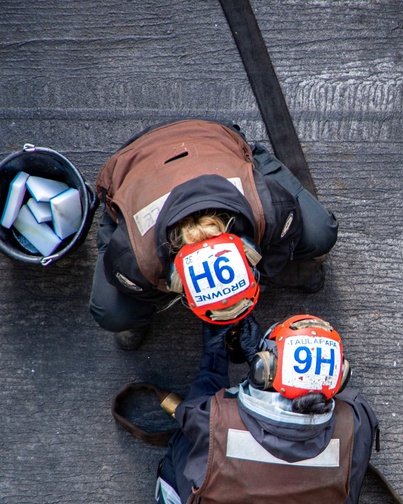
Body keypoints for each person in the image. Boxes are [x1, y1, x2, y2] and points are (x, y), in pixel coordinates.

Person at [147, 314, 379, 504]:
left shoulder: (215, 416)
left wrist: (215, 355)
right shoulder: (356, 420)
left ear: (263, 369)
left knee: (181, 447)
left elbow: (196, 402)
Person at [90, 119, 338, 350]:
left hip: (211, 137)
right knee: (111, 312)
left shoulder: (271, 208)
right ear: (175, 280)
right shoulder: (136, 259)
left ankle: (254, 163)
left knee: (320, 233)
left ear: (249, 250)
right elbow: (142, 286)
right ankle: (120, 215)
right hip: (129, 165)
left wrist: (268, 268)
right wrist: (162, 289)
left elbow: (282, 242)